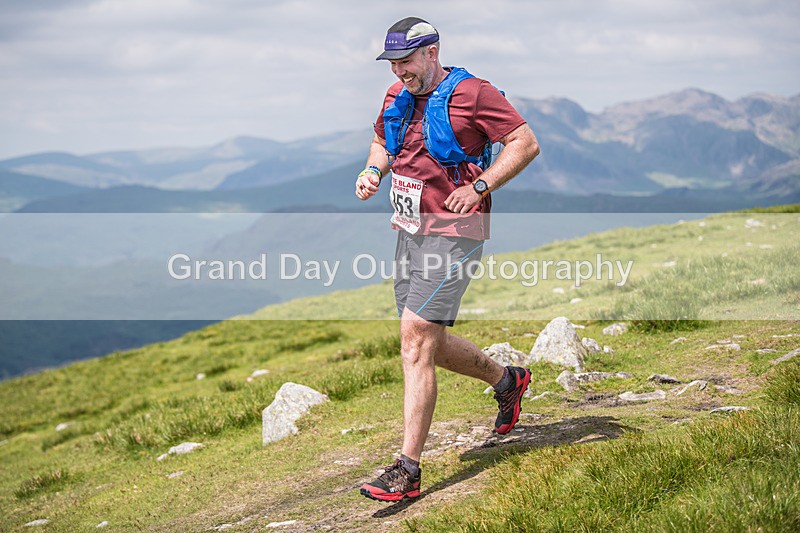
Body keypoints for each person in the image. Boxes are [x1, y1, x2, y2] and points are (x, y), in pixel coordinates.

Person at [355, 16, 540, 502]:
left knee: (415, 337)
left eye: (406, 61)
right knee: (427, 342)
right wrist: (373, 171)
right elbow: (382, 142)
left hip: (457, 233)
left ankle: (407, 470)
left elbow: (525, 142)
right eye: (393, 63)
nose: (399, 71)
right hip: (409, 231)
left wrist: (479, 186)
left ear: (431, 52)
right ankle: (507, 380)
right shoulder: (395, 96)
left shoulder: (474, 93)